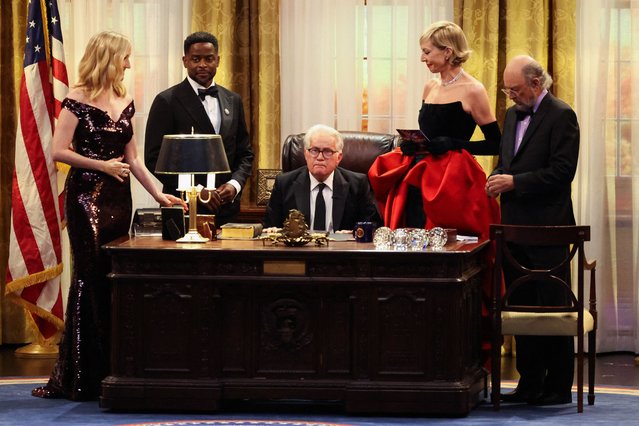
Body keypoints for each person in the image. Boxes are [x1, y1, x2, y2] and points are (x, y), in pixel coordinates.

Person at [31, 31, 185, 401]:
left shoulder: (126, 99)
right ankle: (81, 376)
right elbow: (57, 151)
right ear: (110, 57)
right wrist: (101, 165)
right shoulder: (77, 99)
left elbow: (134, 160)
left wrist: (160, 195)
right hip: (86, 197)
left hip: (119, 198)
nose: (129, 64)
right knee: (89, 278)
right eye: (126, 57)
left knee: (114, 278)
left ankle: (113, 369)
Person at [487, 55, 580, 406]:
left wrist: (515, 182)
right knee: (523, 309)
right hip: (513, 229)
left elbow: (561, 173)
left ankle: (556, 388)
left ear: (536, 84)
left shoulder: (562, 115)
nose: (509, 95)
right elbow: (507, 161)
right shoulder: (512, 114)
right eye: (506, 88)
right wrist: (496, 178)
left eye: (514, 88)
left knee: (551, 309)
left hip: (548, 228)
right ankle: (528, 384)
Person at [144, 31, 254, 226]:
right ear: (185, 61)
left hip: (226, 208)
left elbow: (244, 153)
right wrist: (195, 190)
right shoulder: (167, 101)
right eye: (196, 59)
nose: (202, 64)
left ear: (218, 60)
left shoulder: (233, 100)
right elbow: (154, 158)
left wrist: (234, 185)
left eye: (208, 59)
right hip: (183, 208)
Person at [264, 124, 381, 231]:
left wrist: (353, 234)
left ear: (339, 157)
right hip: (299, 252)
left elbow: (373, 226)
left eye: (327, 151)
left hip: (341, 251)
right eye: (314, 150)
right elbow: (270, 227)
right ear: (306, 154)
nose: (320, 157)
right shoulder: (284, 183)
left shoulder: (358, 184)